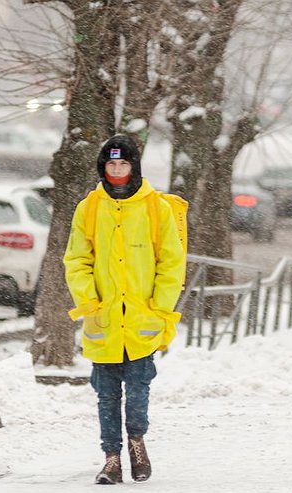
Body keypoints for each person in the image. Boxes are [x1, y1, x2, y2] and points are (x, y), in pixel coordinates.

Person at [63, 134, 185, 484]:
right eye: (111, 164)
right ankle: (111, 458)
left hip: (142, 321)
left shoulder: (155, 208)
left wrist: (159, 308)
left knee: (138, 390)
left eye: (123, 164)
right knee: (105, 394)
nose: (117, 171)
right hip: (102, 320)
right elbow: (76, 258)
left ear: (134, 167)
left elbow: (171, 263)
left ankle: (136, 441)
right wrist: (89, 301)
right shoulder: (89, 208)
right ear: (103, 168)